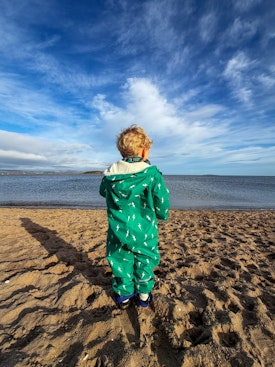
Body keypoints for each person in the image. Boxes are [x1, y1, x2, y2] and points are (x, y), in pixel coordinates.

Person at [99, 125, 170, 309]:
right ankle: (144, 296)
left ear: (121, 151)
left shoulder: (110, 176)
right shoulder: (152, 174)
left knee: (120, 260)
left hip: (118, 230)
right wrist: (163, 215)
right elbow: (161, 199)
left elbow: (102, 192)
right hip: (145, 230)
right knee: (145, 260)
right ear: (145, 151)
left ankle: (123, 297)